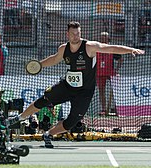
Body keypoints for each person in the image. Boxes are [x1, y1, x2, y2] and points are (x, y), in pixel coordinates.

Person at [8, 21, 145, 148]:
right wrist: (38, 65)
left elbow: (110, 48)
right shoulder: (64, 48)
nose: (76, 36)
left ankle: (48, 134)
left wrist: (129, 49)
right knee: (44, 100)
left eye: (78, 33)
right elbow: (54, 59)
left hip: (84, 92)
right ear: (67, 34)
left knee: (71, 122)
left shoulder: (89, 47)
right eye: (73, 34)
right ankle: (19, 118)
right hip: (67, 86)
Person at [96, 32, 123, 116]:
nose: (103, 39)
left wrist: (116, 70)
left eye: (105, 37)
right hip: (99, 73)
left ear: (108, 38)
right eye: (102, 37)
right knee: (101, 91)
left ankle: (116, 108)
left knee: (115, 90)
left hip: (110, 72)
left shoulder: (112, 49)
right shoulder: (96, 48)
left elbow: (120, 59)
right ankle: (103, 109)